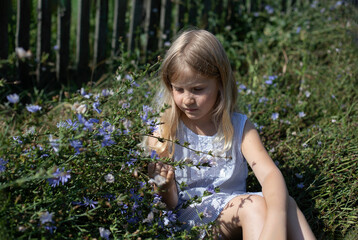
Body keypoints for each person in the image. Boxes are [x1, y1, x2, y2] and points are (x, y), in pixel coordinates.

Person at [143, 29, 316, 239]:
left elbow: (270, 175)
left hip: (236, 208)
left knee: (285, 203)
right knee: (253, 206)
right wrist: (166, 186)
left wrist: (277, 220)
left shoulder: (239, 126)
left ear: (220, 83)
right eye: (179, 89)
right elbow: (167, 205)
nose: (187, 99)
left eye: (198, 89)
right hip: (191, 219)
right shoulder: (165, 129)